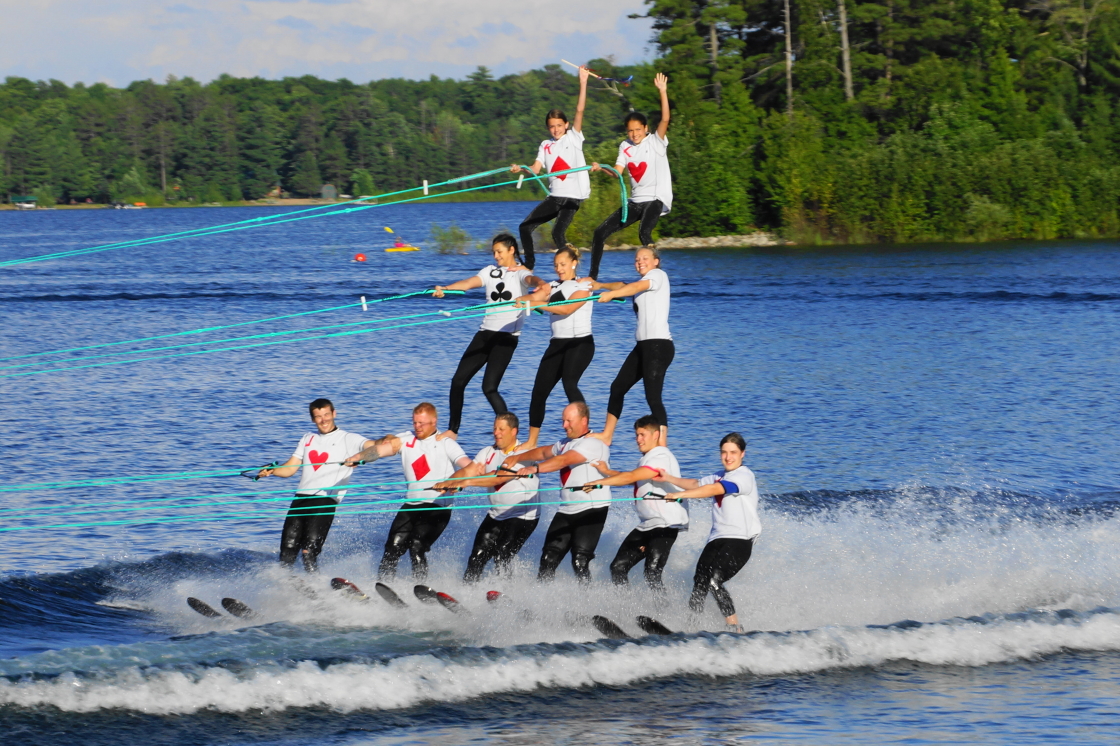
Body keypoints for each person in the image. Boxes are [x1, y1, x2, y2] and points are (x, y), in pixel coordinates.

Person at [433, 234, 544, 438]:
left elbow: (533, 280)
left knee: (489, 387)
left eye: (499, 251)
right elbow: (468, 283)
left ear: (511, 250)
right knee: (457, 382)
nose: (496, 256)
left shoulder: (520, 273)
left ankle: (510, 432)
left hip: (506, 338)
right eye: (493, 252)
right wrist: (446, 289)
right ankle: (453, 430)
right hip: (484, 335)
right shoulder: (489, 271)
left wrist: (540, 286)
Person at [346, 402, 471, 580]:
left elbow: (469, 466)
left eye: (422, 423)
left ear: (434, 422)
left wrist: (456, 480)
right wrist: (359, 458)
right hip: (410, 507)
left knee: (416, 546)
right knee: (392, 547)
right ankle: (384, 585)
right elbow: (380, 450)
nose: (417, 427)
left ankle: (419, 587)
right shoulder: (405, 439)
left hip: (437, 508)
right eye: (415, 423)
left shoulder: (446, 443)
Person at [257, 398, 379, 573]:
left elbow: (375, 448)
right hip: (300, 500)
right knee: (286, 554)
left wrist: (361, 458)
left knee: (309, 552)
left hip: (325, 500)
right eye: (318, 417)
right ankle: (287, 590)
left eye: (327, 415)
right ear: (313, 419)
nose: (324, 420)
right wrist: (272, 470)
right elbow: (290, 469)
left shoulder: (348, 438)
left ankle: (317, 590)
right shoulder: (308, 439)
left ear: (334, 414)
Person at [657, 433, 760, 633]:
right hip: (716, 539)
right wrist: (668, 478)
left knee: (714, 579)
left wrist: (680, 495)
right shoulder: (718, 475)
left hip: (739, 541)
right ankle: (692, 627)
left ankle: (735, 628)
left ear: (742, 454)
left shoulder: (744, 476)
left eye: (733, 453)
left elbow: (715, 489)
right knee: (700, 582)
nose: (728, 457)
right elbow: (697, 484)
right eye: (724, 452)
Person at [506, 402, 611, 583]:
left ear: (583, 420)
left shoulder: (593, 444)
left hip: (591, 509)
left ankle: (590, 604)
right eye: (563, 421)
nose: (564, 426)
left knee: (579, 560)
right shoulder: (564, 443)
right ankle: (542, 603)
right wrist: (517, 457)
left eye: (569, 421)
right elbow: (545, 452)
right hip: (566, 510)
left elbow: (563, 460)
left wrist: (534, 469)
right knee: (548, 558)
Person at [583, 414, 687, 591]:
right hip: (647, 526)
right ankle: (627, 609)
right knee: (618, 567)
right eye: (637, 435)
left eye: (643, 435)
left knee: (652, 572)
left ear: (655, 435)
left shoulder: (661, 457)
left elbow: (631, 476)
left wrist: (599, 482)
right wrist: (607, 472)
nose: (638, 440)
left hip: (665, 525)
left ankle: (665, 613)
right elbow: (634, 478)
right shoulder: (647, 458)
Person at [434, 413, 540, 583]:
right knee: (476, 556)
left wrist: (467, 482)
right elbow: (469, 470)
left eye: (501, 429)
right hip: (497, 514)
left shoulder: (524, 454)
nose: (496, 433)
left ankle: (507, 595)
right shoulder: (488, 452)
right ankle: (468, 594)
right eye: (494, 428)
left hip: (522, 516)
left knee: (501, 555)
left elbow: (498, 477)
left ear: (514, 431)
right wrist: (449, 482)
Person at [587, 72, 671, 280]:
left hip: (656, 199)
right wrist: (601, 168)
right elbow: (617, 173)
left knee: (644, 233)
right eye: (630, 131)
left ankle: (655, 274)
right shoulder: (625, 146)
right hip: (635, 202)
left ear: (645, 129)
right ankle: (593, 277)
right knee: (599, 233)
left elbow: (666, 118)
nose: (634, 134)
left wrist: (662, 91)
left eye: (638, 130)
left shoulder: (656, 142)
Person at [589, 246, 673, 446]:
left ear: (656, 261)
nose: (640, 262)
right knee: (617, 387)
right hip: (643, 347)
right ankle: (607, 435)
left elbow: (634, 287)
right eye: (636, 260)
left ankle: (662, 447)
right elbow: (623, 285)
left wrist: (610, 296)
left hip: (659, 346)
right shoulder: (643, 285)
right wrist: (599, 285)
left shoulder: (658, 276)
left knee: (653, 398)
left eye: (644, 258)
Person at [512, 65, 592, 271]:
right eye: (551, 126)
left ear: (566, 125)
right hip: (555, 197)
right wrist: (521, 169)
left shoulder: (574, 138)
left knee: (557, 234)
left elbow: (580, 110)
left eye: (559, 125)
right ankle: (528, 265)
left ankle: (570, 265)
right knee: (525, 227)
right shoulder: (545, 145)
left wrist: (583, 82)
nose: (555, 129)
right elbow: (535, 169)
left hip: (572, 197)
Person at [516, 245, 594, 449]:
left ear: (574, 263)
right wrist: (522, 299)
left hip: (580, 343)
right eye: (556, 265)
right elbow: (535, 296)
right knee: (538, 391)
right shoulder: (551, 286)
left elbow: (566, 308)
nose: (559, 268)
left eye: (563, 264)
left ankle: (585, 433)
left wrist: (536, 305)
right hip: (557, 343)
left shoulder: (583, 286)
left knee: (569, 383)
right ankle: (532, 441)